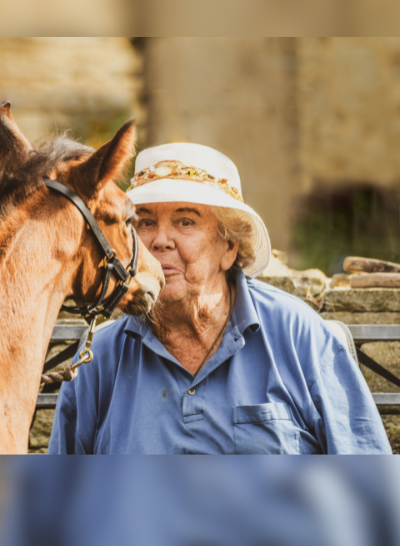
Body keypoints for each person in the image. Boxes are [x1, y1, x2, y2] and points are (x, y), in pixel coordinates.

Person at [48, 143, 391, 454]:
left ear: (228, 247)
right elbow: (58, 505)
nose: (160, 240)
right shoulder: (101, 358)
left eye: (185, 221)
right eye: (145, 222)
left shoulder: (299, 335)